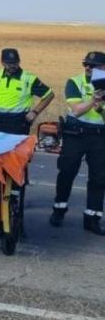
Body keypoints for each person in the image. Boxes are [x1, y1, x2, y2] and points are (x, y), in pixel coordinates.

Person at [49, 51, 105, 235]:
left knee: (99, 178)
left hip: (99, 136)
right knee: (67, 172)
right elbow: (77, 110)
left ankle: (92, 218)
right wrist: (93, 100)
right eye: (86, 64)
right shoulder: (74, 82)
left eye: (93, 65)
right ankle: (59, 210)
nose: (88, 68)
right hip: (76, 134)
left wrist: (101, 109)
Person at [0, 48, 54, 135]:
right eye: (9, 63)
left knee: (17, 147)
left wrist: (35, 112)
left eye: (15, 62)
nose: (12, 66)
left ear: (19, 61)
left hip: (18, 122)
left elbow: (49, 95)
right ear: (2, 62)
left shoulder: (28, 78)